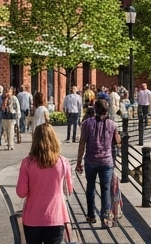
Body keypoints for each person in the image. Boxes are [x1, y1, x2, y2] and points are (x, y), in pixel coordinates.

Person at [17, 124, 73, 244]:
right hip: (56, 217)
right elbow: (69, 189)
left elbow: (21, 193)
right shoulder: (63, 162)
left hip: (32, 218)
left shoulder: (27, 163)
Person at [75, 99, 119, 228]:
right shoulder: (112, 124)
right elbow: (117, 141)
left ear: (95, 108)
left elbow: (82, 143)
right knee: (105, 188)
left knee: (90, 186)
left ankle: (91, 215)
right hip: (107, 161)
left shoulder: (86, 124)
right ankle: (105, 218)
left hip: (91, 160)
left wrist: (79, 162)